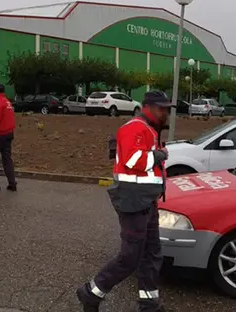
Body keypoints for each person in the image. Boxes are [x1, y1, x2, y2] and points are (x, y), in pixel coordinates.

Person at [76, 91, 172, 312]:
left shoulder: (148, 129)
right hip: (133, 201)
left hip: (146, 201)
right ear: (147, 107)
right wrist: (158, 155)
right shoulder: (135, 128)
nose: (165, 112)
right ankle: (91, 293)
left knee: (151, 253)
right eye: (161, 108)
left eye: (167, 108)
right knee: (130, 257)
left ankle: (149, 304)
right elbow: (133, 159)